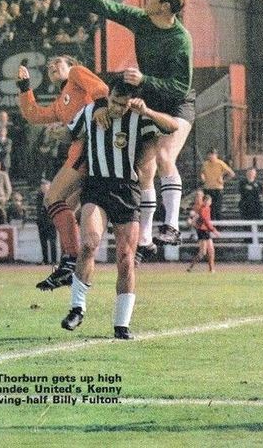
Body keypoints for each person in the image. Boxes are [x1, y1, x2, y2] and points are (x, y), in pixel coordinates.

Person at [44, 0, 194, 253]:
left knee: (163, 156)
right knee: (142, 169)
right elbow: (103, 5)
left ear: (165, 6)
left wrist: (145, 80)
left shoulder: (180, 40)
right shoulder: (141, 20)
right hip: (149, 98)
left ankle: (172, 226)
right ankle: (146, 239)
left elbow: (180, 86)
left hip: (177, 103)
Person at [60, 79, 178, 339]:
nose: (116, 108)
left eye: (122, 105)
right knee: (89, 243)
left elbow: (173, 126)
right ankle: (77, 308)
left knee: (125, 258)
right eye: (113, 102)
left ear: (131, 102)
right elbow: (67, 133)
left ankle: (121, 324)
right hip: (97, 187)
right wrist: (91, 117)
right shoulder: (92, 111)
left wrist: (146, 111)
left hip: (126, 190)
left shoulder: (139, 116)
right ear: (109, 96)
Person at [17, 55, 108, 291]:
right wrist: (25, 88)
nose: (52, 66)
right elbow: (33, 115)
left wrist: (96, 113)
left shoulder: (77, 73)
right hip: (83, 152)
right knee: (64, 206)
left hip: (86, 150)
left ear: (71, 64)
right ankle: (74, 268)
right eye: (49, 67)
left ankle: (69, 260)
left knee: (52, 197)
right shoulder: (60, 102)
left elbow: (101, 88)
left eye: (58, 62)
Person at [186, 194, 220, 273]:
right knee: (203, 252)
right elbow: (205, 221)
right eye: (208, 201)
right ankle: (191, 267)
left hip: (206, 230)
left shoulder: (207, 208)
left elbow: (205, 220)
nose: (209, 203)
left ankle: (211, 269)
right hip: (202, 231)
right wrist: (214, 230)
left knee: (211, 250)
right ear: (205, 201)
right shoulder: (203, 209)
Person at [201, 148, 236, 220]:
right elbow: (202, 172)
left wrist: (223, 180)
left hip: (217, 189)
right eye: (209, 154)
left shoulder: (220, 163)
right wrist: (203, 178)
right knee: (208, 208)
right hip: (208, 188)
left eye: (212, 154)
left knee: (217, 208)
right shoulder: (205, 164)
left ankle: (218, 226)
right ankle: (209, 225)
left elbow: (232, 174)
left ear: (216, 155)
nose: (211, 156)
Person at [36, 179, 57, 265]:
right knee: (43, 242)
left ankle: (54, 260)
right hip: (41, 222)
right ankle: (45, 260)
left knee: (52, 242)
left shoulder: (53, 196)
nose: (43, 187)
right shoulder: (39, 196)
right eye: (42, 186)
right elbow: (38, 209)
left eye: (45, 185)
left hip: (51, 222)